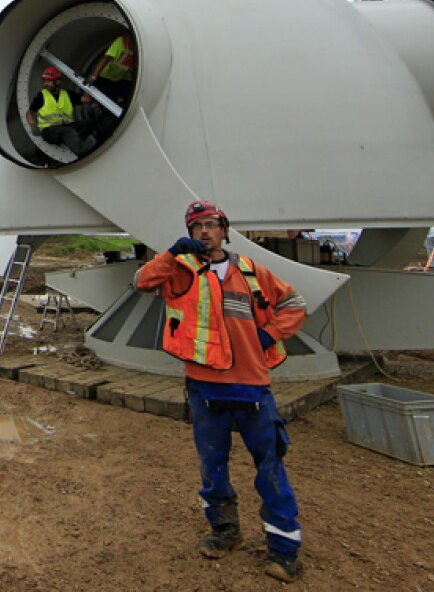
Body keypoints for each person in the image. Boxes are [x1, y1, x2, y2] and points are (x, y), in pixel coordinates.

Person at [134, 200, 308, 583]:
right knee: (213, 468)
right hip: (205, 389)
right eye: (196, 227)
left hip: (252, 388)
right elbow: (142, 282)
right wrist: (171, 255)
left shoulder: (250, 272)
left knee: (270, 467)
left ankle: (283, 551)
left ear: (225, 229)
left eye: (211, 224)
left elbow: (294, 303)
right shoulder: (182, 271)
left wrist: (269, 334)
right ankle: (224, 531)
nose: (204, 232)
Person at [25, 66, 93, 156]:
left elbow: (86, 99)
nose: (46, 84)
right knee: (68, 131)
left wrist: (86, 85)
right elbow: (30, 112)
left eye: (49, 81)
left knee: (91, 123)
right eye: (45, 81)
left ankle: (72, 140)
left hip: (65, 126)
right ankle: (82, 154)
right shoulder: (41, 96)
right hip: (49, 130)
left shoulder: (67, 94)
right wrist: (33, 126)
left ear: (57, 81)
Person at [87, 31, 135, 140]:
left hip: (123, 80)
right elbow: (105, 59)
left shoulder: (138, 47)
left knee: (132, 106)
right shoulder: (121, 42)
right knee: (107, 117)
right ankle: (103, 139)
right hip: (107, 80)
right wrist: (94, 77)